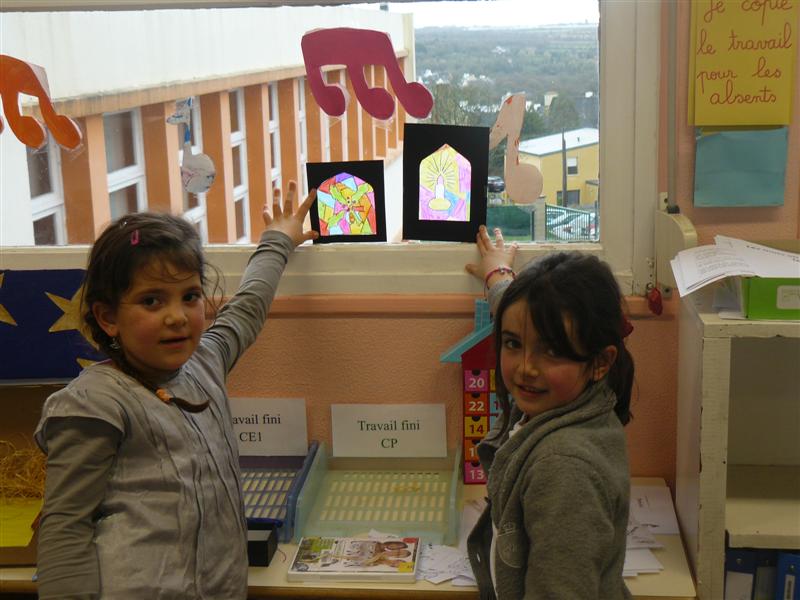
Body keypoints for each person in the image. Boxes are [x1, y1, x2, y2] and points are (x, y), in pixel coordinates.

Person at [33, 182, 318, 599]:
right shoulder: (95, 403)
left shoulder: (206, 362)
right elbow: (64, 530)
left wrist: (278, 240)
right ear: (108, 318)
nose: (177, 317)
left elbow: (248, 307)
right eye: (152, 301)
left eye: (189, 296)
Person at [464, 225, 634, 600]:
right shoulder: (570, 397)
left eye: (552, 351)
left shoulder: (563, 470)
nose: (526, 368)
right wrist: (497, 274)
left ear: (600, 362)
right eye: (513, 344)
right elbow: (516, 314)